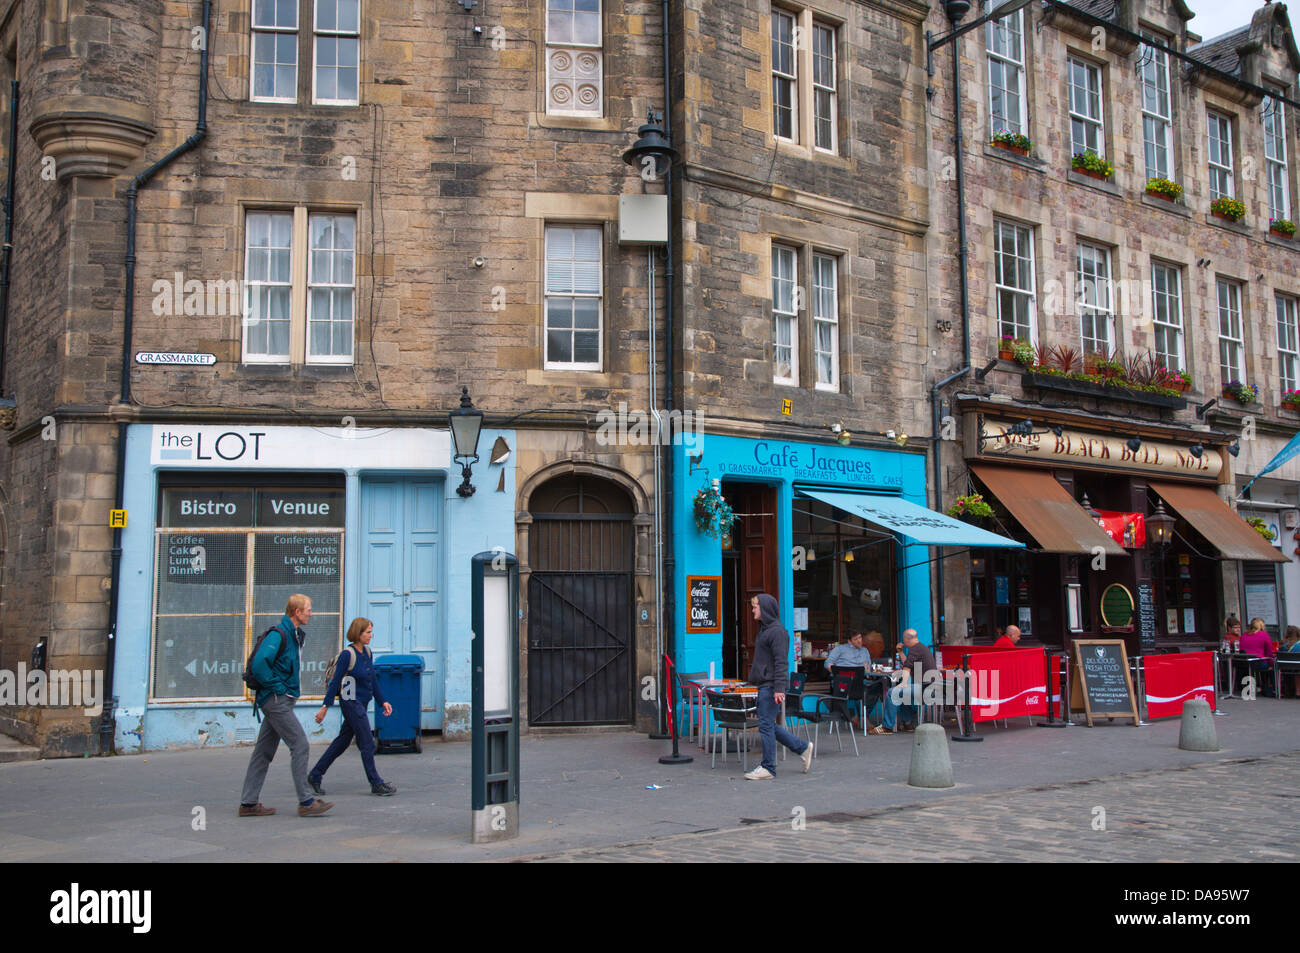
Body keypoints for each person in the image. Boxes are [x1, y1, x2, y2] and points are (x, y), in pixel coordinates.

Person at [238, 594, 334, 817]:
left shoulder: (293, 635)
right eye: (308, 609)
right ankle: (306, 801)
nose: (311, 613)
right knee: (300, 744)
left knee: (263, 751)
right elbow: (261, 664)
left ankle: (248, 804)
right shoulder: (279, 635)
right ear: (296, 612)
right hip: (276, 700)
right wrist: (278, 687)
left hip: (278, 700)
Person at [309, 618, 397, 797]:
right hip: (350, 702)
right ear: (358, 633)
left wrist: (383, 702)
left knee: (342, 742)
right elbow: (335, 683)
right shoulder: (347, 655)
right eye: (368, 632)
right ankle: (375, 782)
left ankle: (315, 775)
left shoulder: (368, 653)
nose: (371, 636)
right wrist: (325, 706)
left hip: (362, 703)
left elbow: (372, 679)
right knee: (367, 742)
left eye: (371, 632)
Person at [744, 593, 813, 780]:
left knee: (765, 726)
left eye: (755, 606)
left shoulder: (777, 632)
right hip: (765, 684)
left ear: (764, 608)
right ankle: (802, 747)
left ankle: (768, 767)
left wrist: (779, 689)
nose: (752, 610)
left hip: (771, 685)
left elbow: (782, 662)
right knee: (768, 724)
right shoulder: (765, 630)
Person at [870, 629, 936, 735]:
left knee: (892, 692)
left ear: (906, 639)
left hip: (926, 688)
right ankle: (908, 723)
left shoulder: (915, 649)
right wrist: (900, 652)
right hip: (930, 688)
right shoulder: (920, 648)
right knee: (904, 694)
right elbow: (907, 663)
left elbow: (907, 668)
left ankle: (887, 727)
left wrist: (904, 683)